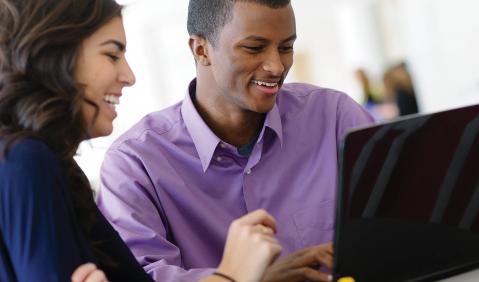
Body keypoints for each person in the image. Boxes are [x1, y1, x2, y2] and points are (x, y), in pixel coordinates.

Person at [0, 0, 281, 281]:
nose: (129, 77)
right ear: (53, 56)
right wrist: (232, 275)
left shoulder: (52, 167)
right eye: (112, 55)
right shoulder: (25, 162)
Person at [97, 0, 374, 281]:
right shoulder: (134, 164)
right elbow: (139, 277)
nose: (276, 67)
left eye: (286, 47)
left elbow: (398, 230)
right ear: (201, 49)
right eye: (254, 48)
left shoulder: (335, 118)